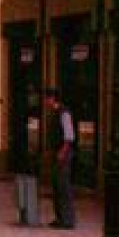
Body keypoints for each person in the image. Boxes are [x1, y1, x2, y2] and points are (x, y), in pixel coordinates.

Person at [46, 89, 76, 228]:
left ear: (53, 99)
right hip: (55, 152)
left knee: (64, 186)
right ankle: (59, 217)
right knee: (56, 186)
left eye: (48, 99)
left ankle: (68, 219)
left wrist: (62, 152)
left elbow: (69, 136)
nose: (46, 102)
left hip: (62, 153)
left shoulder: (64, 113)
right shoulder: (53, 114)